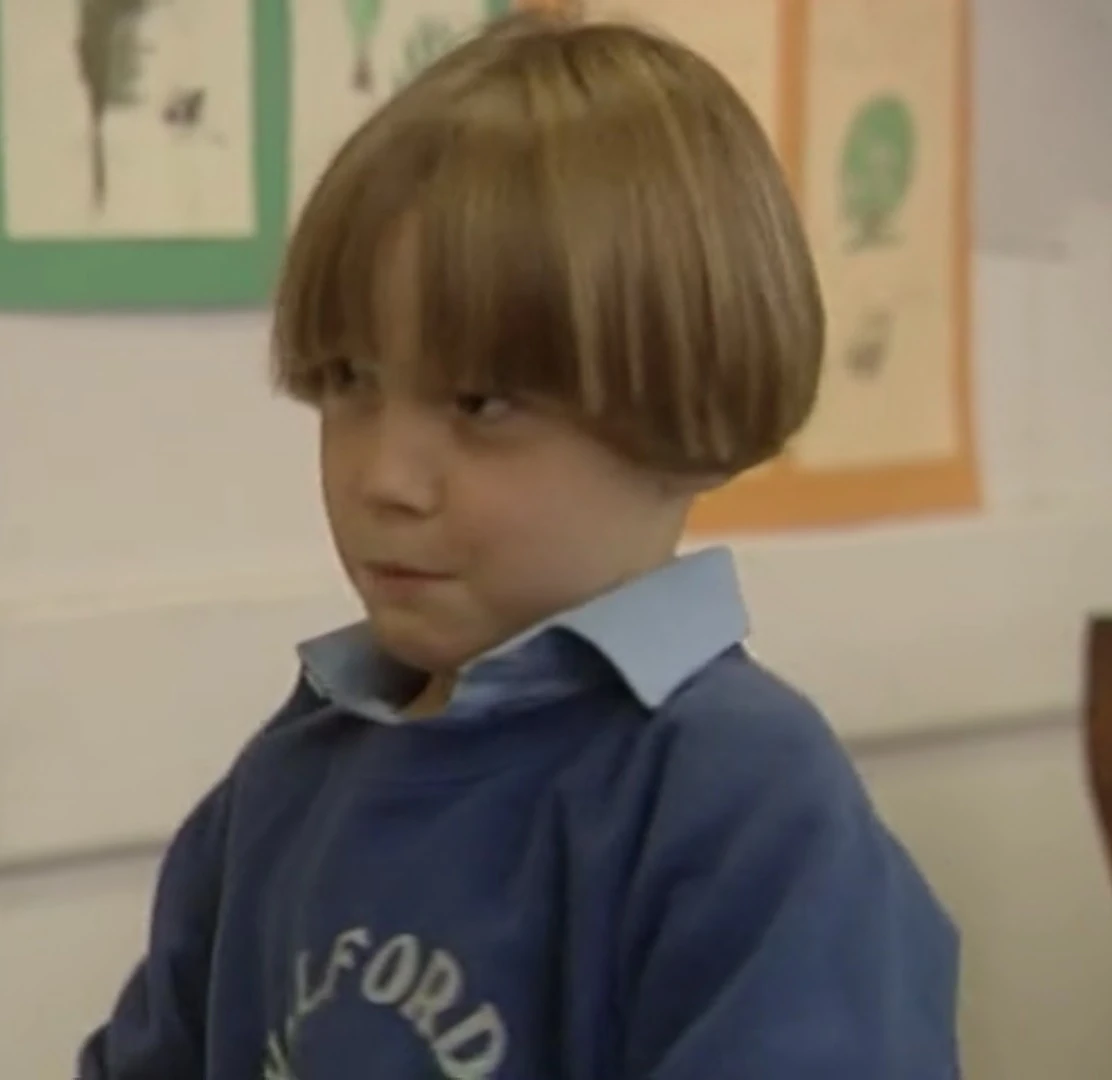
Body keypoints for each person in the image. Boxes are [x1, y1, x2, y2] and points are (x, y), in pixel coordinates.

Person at [78, 11, 960, 1079]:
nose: (383, 477)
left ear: (690, 413)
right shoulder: (291, 772)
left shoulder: (742, 798)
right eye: (350, 382)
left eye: (481, 403)